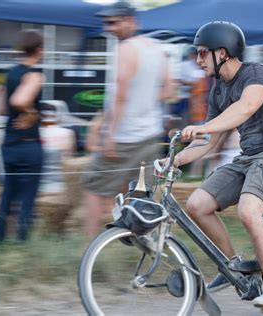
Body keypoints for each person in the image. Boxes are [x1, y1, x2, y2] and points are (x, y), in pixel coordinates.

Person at [169, 21, 263, 307]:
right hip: (249, 159)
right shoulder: (217, 91)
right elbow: (211, 141)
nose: (198, 59)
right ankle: (236, 269)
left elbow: (246, 107)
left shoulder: (256, 73)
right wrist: (173, 160)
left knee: (248, 210)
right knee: (197, 205)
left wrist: (203, 127)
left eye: (203, 53)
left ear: (223, 52)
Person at [81, 1, 173, 237]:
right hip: (149, 135)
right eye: (106, 22)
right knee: (140, 194)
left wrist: (109, 135)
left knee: (94, 188)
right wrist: (144, 104)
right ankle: (146, 244)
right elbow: (169, 90)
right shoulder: (156, 48)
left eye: (114, 22)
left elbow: (120, 94)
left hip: (124, 136)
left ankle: (90, 247)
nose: (108, 27)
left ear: (131, 22)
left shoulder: (124, 50)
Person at [0, 29, 45, 244]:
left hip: (9, 143)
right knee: (28, 194)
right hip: (29, 145)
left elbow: (0, 108)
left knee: (8, 191)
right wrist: (32, 113)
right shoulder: (34, 75)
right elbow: (18, 101)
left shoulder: (10, 74)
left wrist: (19, 109)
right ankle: (22, 239)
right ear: (40, 50)